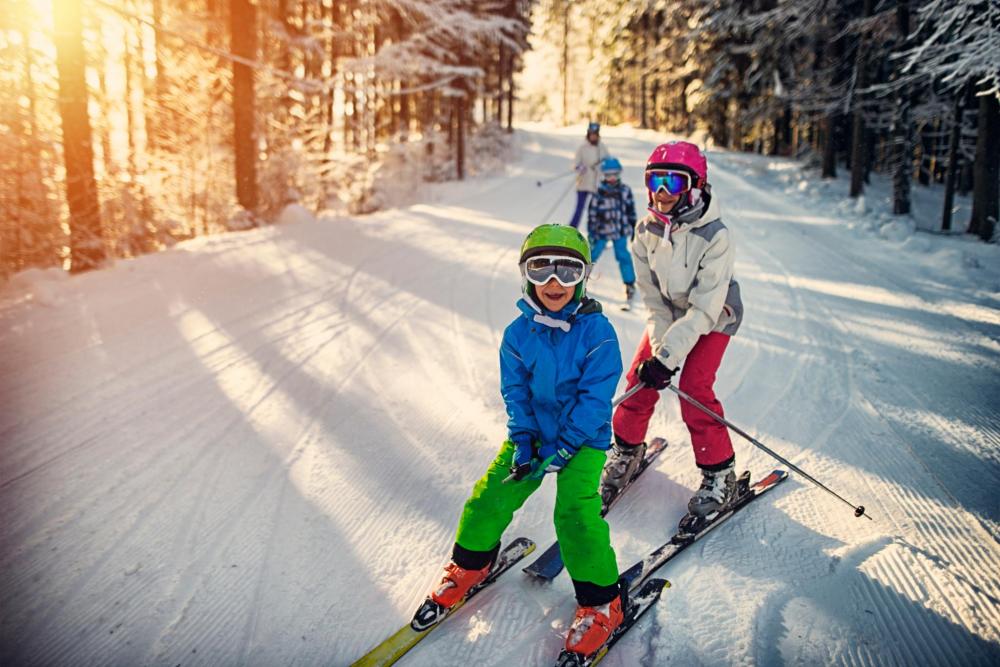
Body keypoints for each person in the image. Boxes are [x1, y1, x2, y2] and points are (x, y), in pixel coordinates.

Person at [413, 224, 626, 657]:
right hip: (535, 435)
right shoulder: (517, 334)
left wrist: (567, 446)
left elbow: (595, 399)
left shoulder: (598, 334)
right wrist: (525, 437)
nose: (554, 283)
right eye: (541, 270)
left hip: (582, 441)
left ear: (583, 277)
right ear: (526, 275)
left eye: (568, 272)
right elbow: (516, 392)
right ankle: (470, 565)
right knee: (492, 494)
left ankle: (603, 601)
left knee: (575, 515)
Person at [599, 141, 744, 531]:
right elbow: (654, 301)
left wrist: (671, 358)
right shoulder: (644, 230)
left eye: (673, 182)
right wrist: (661, 355)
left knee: (695, 387)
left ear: (695, 186)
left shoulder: (715, 235)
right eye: (654, 181)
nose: (661, 193)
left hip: (712, 316)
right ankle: (627, 450)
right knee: (639, 379)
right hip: (670, 314)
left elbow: (702, 310)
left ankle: (720, 474)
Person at [587, 156, 637, 304]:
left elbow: (630, 210)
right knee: (592, 255)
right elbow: (592, 213)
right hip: (601, 231)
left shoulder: (625, 191)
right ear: (603, 175)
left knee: (623, 256)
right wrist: (592, 232)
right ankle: (579, 281)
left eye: (615, 174)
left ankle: (629, 283)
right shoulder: (599, 193)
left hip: (620, 230)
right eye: (608, 175)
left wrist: (633, 226)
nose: (612, 178)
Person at [568, 122, 609, 230]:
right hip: (583, 183)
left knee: (597, 210)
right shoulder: (582, 147)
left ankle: (599, 233)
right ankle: (571, 230)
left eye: (595, 134)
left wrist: (600, 167)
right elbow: (575, 164)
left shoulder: (602, 147)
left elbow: (607, 162)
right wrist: (579, 168)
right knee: (579, 209)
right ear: (588, 134)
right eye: (591, 134)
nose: (593, 136)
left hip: (596, 184)